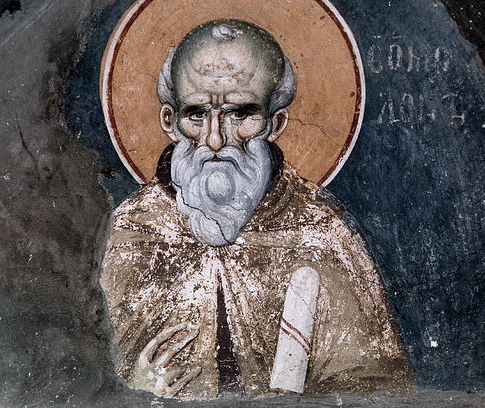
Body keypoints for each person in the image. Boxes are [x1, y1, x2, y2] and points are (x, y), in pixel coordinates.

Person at [100, 20, 413, 399]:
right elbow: (86, 378)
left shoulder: (322, 235)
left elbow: (377, 390)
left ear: (275, 123)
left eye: (240, 114)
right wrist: (136, 391)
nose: (215, 139)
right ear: (171, 121)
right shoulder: (129, 232)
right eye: (196, 114)